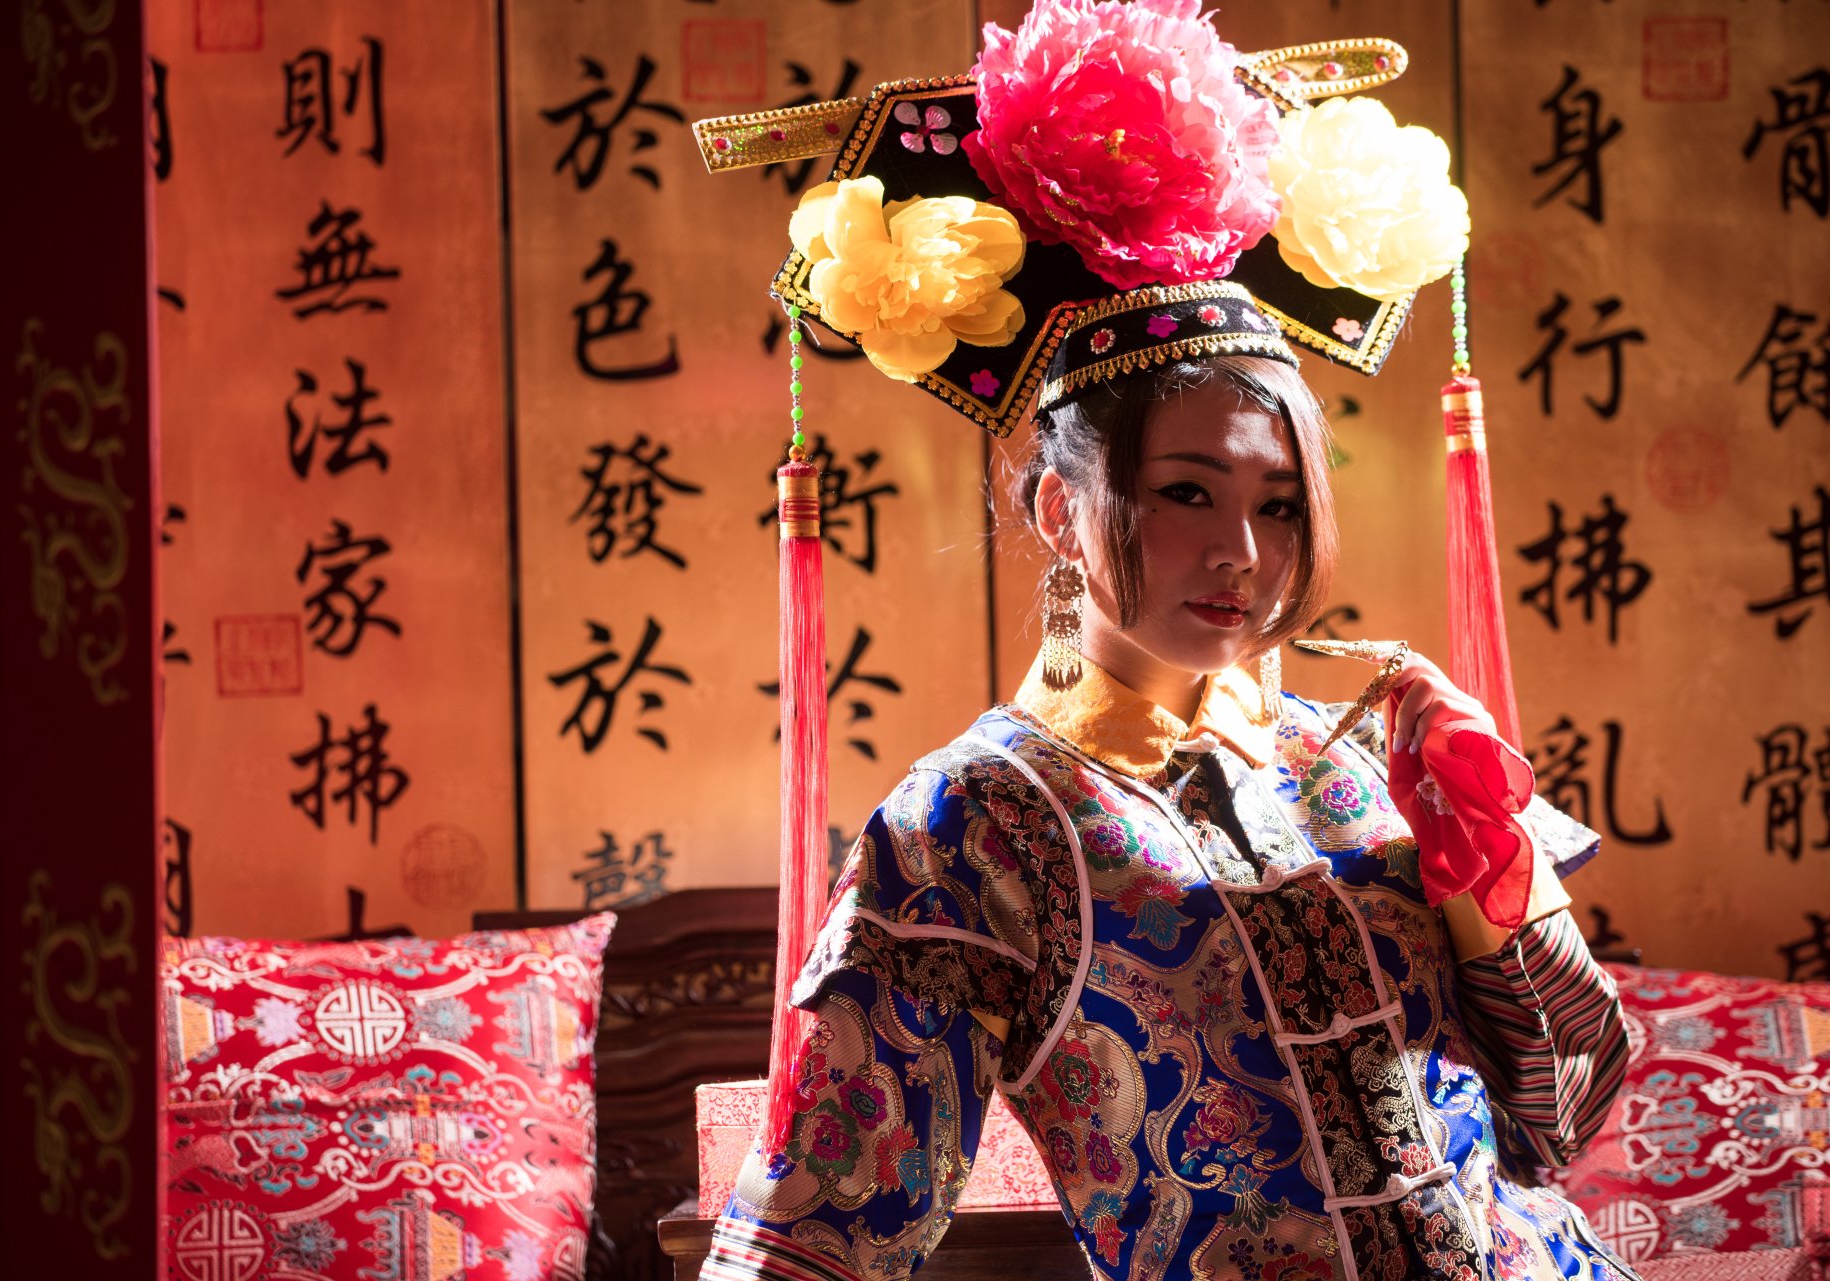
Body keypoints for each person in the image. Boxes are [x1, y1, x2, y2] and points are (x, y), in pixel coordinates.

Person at [691, 4, 1639, 1277]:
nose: (1243, 555)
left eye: (1281, 505)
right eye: (1188, 493)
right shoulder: (977, 823)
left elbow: (1559, 1124)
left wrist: (1491, 879)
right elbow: (815, 1233)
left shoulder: (1360, 763)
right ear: (1058, 508)